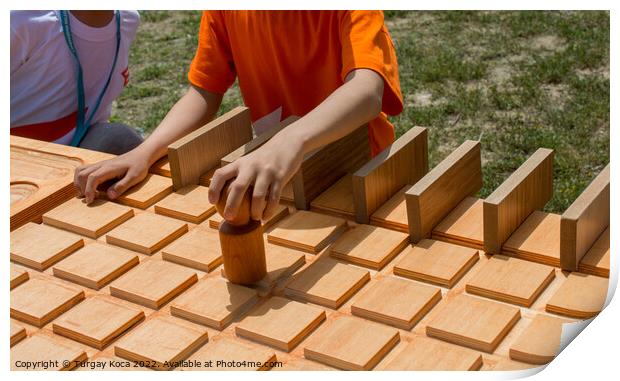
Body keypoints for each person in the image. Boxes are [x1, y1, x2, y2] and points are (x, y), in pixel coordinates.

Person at [74, 10, 403, 222]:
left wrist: (292, 141)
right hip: (277, 175)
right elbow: (204, 93)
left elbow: (367, 92)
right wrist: (144, 152)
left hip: (358, 168)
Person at [10, 10, 143, 155]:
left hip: (78, 153)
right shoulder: (21, 21)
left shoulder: (127, 20)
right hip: (17, 161)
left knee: (120, 139)